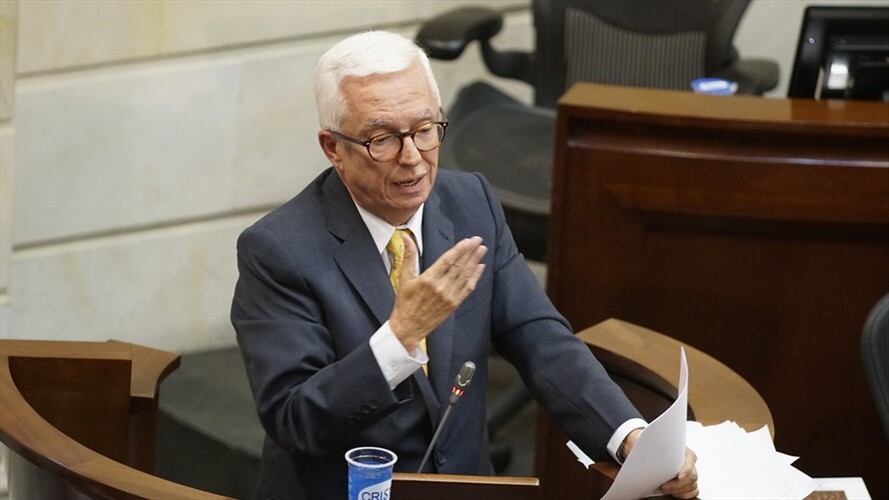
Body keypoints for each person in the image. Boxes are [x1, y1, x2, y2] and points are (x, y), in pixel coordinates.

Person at [231, 30, 698, 500]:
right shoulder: (277, 250)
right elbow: (296, 420)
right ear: (333, 147)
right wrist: (398, 339)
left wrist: (631, 439)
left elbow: (541, 340)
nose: (413, 158)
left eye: (425, 129)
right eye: (381, 139)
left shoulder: (470, 201)